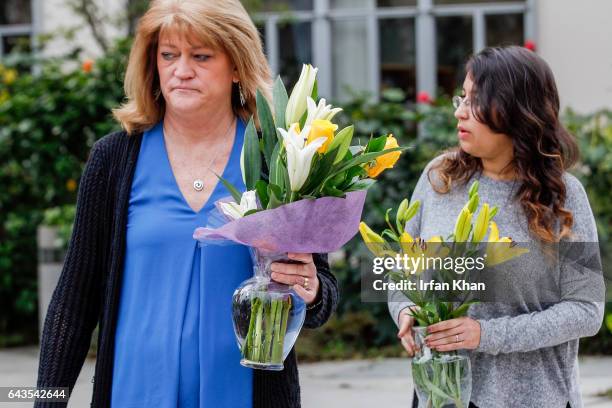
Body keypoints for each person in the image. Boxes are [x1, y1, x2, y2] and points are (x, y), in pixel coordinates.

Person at [35, 1, 338, 407]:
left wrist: (310, 287)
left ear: (236, 66)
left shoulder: (280, 157)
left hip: (245, 395)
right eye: (168, 55)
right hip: (133, 393)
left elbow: (322, 295)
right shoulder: (114, 158)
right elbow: (73, 302)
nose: (181, 70)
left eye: (201, 56)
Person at [389, 46, 604, 407]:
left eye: (475, 101)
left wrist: (485, 335)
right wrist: (406, 309)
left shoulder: (564, 197)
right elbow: (403, 271)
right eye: (462, 97)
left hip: (534, 398)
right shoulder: (438, 178)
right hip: (440, 394)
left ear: (516, 111)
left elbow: (586, 311)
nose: (459, 111)